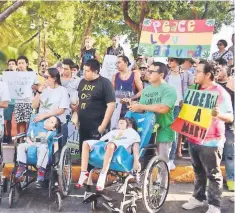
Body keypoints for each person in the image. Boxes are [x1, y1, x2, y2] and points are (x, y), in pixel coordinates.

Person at [182, 60, 233, 213]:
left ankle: (214, 205)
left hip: (211, 141)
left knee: (213, 174)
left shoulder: (220, 92)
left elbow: (230, 117)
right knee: (198, 171)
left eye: (198, 71)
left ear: (208, 74)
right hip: (193, 138)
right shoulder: (194, 89)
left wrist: (219, 114)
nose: (194, 74)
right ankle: (198, 198)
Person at [128, 62, 177, 165]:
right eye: (147, 71)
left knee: (162, 162)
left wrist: (141, 106)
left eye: (151, 71)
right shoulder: (146, 90)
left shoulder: (169, 90)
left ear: (161, 75)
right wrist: (133, 106)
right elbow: (142, 110)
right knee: (146, 161)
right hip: (147, 130)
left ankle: (162, 180)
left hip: (164, 130)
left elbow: (163, 108)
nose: (147, 73)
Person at [75, 117, 140, 191]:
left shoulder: (132, 133)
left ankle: (103, 174)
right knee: (86, 143)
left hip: (121, 154)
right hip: (108, 148)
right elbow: (101, 141)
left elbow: (136, 146)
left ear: (129, 125)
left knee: (111, 144)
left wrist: (136, 161)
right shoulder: (114, 132)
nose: (120, 123)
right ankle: (84, 172)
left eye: (123, 122)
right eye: (119, 122)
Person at [71, 59, 115, 157]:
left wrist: (102, 127)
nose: (84, 73)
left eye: (87, 71)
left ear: (95, 71)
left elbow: (111, 106)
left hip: (97, 126)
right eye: (83, 70)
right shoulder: (82, 82)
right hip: (83, 125)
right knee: (83, 153)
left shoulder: (105, 83)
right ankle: (84, 172)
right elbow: (80, 99)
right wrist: (75, 107)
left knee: (96, 155)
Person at [15, 116, 61, 189]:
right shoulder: (36, 128)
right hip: (31, 144)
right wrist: (31, 143)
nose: (49, 121)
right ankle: (22, 166)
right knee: (21, 146)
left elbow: (56, 146)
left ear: (53, 128)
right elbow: (27, 137)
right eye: (48, 119)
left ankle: (41, 170)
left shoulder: (52, 133)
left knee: (43, 148)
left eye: (52, 122)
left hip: (42, 147)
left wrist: (55, 157)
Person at [165, 57, 194, 169]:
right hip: (167, 106)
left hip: (179, 106)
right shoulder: (166, 74)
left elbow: (195, 82)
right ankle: (165, 157)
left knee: (174, 133)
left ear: (177, 61)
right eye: (168, 60)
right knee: (165, 131)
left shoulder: (186, 74)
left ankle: (171, 159)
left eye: (171, 60)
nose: (169, 62)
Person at [32, 68, 70, 145]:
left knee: (51, 146)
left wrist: (45, 115)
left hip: (55, 123)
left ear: (54, 78)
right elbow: (34, 106)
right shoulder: (43, 90)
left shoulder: (63, 90)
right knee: (39, 143)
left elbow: (61, 110)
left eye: (47, 77)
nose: (45, 79)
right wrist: (39, 92)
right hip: (42, 123)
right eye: (44, 77)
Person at [216, 66, 234, 191]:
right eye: (217, 70)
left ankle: (231, 180)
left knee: (230, 155)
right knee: (214, 155)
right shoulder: (213, 88)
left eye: (221, 70)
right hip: (215, 126)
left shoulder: (232, 87)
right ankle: (212, 179)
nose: (219, 72)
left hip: (229, 127)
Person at [14, 56, 39, 138]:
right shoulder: (14, 75)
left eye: (22, 63)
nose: (21, 65)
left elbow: (38, 86)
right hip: (18, 102)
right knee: (19, 121)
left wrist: (34, 87)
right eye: (19, 63)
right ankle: (21, 140)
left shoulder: (32, 74)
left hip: (29, 102)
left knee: (28, 121)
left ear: (27, 64)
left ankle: (28, 138)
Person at [3, 59, 17, 143]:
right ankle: (7, 135)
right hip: (7, 101)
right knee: (7, 120)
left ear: (16, 66)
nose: (11, 65)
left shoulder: (20, 76)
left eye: (13, 64)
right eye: (9, 64)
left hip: (18, 101)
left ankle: (20, 136)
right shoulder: (3, 77)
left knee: (19, 120)